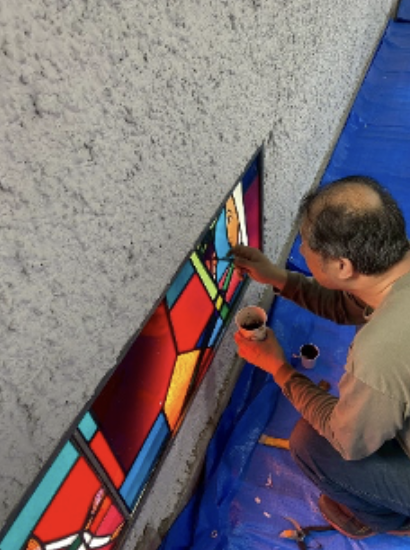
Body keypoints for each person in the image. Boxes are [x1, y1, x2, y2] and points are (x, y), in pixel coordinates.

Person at [232, 175, 410, 539]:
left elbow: (348, 441)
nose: (301, 248)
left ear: (342, 266)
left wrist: (279, 369)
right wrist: (278, 278)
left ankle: (394, 521)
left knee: (312, 446)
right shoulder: (394, 273)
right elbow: (353, 303)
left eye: (306, 243)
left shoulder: (380, 352)